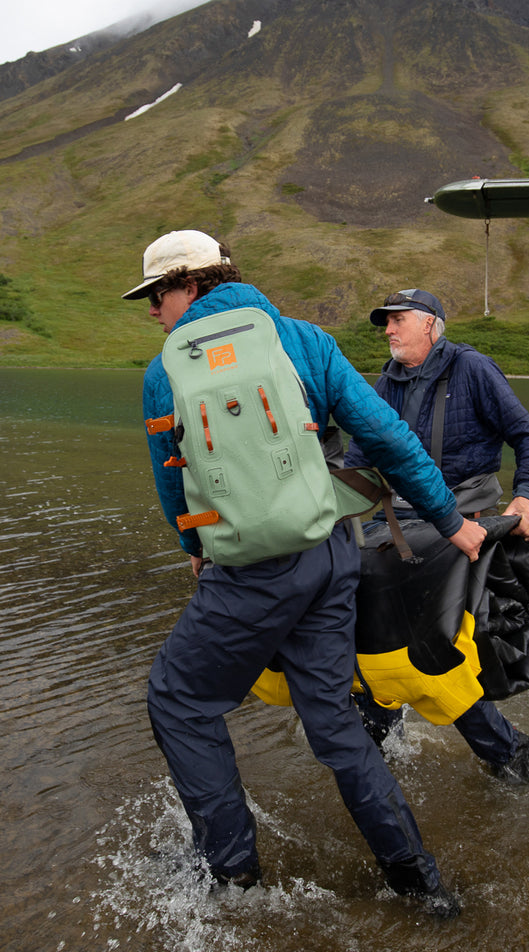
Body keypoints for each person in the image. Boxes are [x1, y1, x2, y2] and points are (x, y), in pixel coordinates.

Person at [124, 231, 486, 917]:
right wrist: (451, 520)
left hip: (250, 572)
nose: (152, 311)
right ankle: (418, 882)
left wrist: (193, 549)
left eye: (157, 295)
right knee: (339, 728)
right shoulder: (306, 341)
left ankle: (231, 878)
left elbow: (172, 486)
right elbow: (387, 438)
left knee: (177, 698)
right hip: (330, 555)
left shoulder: (165, 371)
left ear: (192, 286)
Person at [344, 288, 529, 783]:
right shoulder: (385, 383)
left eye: (398, 321)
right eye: (385, 323)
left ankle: (511, 754)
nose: (388, 330)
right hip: (393, 526)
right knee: (366, 634)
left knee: (433, 648)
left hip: (462, 529)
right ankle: (385, 748)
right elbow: (357, 463)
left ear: (432, 325)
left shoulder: (474, 370)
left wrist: (525, 498)